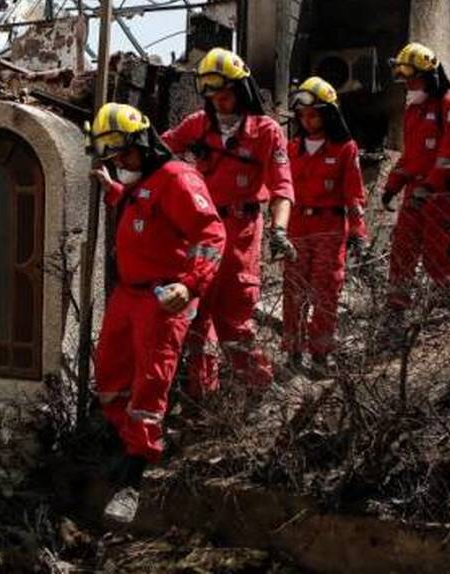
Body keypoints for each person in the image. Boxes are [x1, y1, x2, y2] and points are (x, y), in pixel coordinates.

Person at [88, 102, 227, 525]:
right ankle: (128, 444)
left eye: (124, 154)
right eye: (114, 158)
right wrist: (112, 188)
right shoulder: (142, 181)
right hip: (128, 295)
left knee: (151, 384)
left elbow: (212, 233)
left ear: (144, 143)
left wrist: (189, 284)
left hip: (162, 298)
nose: (121, 162)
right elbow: (142, 215)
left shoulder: (178, 179)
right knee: (110, 376)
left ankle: (134, 477)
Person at [160, 47, 295, 397]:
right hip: (200, 230)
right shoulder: (198, 125)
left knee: (234, 320)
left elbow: (282, 185)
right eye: (213, 96)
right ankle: (202, 398)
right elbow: (159, 151)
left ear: (241, 89)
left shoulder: (266, 132)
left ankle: (261, 393)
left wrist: (280, 230)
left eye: (225, 94)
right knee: (196, 316)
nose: (220, 102)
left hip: (241, 231)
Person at [379, 42, 450, 343]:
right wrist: (392, 185)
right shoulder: (415, 110)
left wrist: (429, 185)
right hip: (416, 192)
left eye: (413, 79)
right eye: (405, 80)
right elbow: (411, 157)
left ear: (430, 76)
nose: (408, 85)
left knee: (438, 254)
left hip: (443, 194)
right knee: (403, 251)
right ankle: (396, 313)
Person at [280, 77, 368, 374]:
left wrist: (358, 232)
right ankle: (293, 352)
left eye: (313, 114)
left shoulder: (346, 149)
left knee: (326, 292)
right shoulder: (292, 149)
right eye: (302, 116)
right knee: (294, 292)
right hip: (296, 229)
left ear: (328, 114)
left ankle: (321, 354)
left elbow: (354, 194)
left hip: (330, 229)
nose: (307, 120)